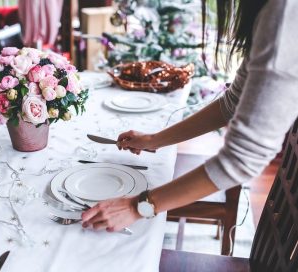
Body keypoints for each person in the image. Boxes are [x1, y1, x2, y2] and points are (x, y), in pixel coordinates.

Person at [81, 0, 298, 232]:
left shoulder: (285, 12)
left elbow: (242, 160)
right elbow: (232, 103)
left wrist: (138, 206)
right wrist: (154, 140)